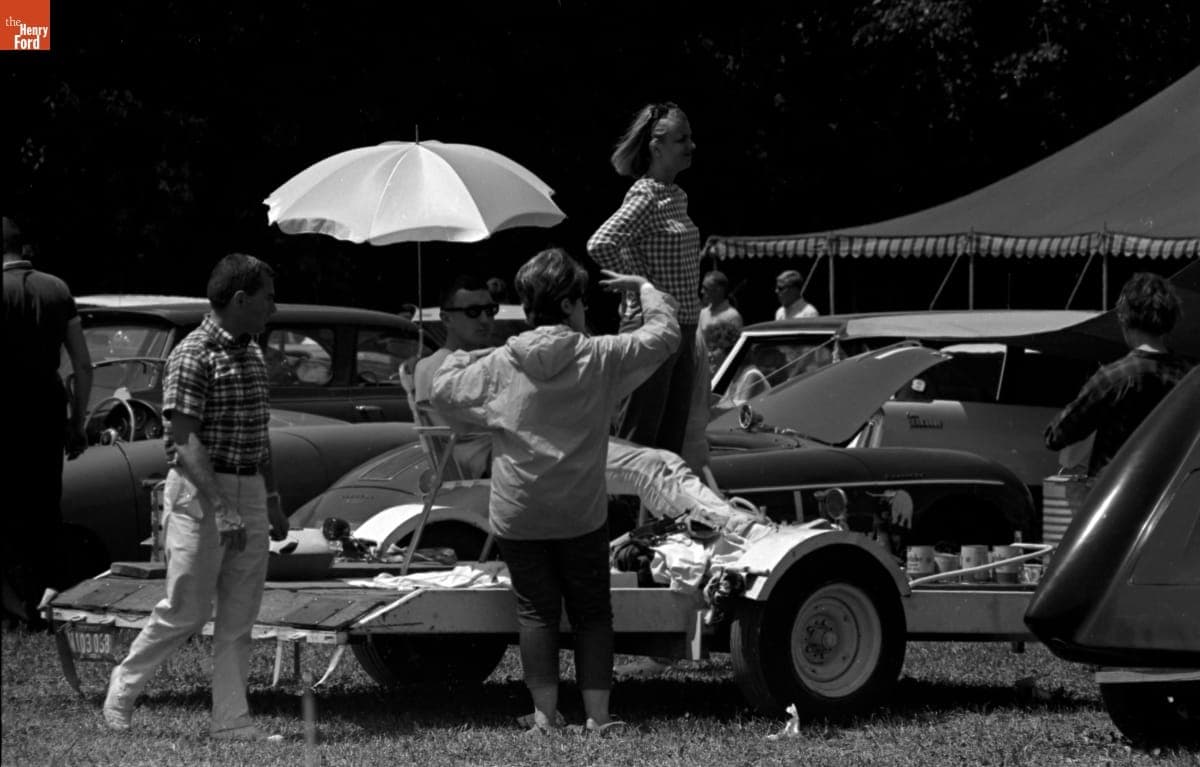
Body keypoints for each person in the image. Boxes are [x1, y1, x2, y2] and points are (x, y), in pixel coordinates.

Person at [431, 249, 679, 735]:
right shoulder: (601, 356)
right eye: (582, 301)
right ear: (567, 305)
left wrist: (466, 352)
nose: (586, 309)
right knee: (592, 614)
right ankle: (599, 717)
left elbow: (443, 389)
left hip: (518, 512)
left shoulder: (502, 362)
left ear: (527, 308)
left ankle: (545, 715)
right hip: (580, 514)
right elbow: (664, 335)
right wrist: (645, 290)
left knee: (535, 613)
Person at [103, 253, 289, 740]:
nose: (275, 305)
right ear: (241, 299)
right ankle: (121, 690)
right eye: (268, 296)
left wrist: (270, 498)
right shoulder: (193, 354)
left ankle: (231, 721)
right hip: (202, 492)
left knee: (240, 612)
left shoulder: (249, 352)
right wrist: (224, 507)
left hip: (247, 486)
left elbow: (258, 431)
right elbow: (184, 440)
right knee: (187, 609)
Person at [587, 101, 700, 456]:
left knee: (670, 442)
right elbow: (600, 242)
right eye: (682, 139)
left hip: (681, 327)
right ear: (656, 147)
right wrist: (641, 289)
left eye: (690, 138)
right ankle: (626, 511)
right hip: (652, 328)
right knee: (639, 440)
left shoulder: (676, 195)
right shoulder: (646, 194)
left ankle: (657, 512)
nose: (691, 146)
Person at [1, 216, 94, 629]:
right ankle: (47, 602)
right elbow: (83, 364)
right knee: (44, 506)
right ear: (25, 249)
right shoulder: (57, 288)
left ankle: (12, 608)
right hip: (46, 405)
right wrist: (78, 420)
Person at [1045, 272, 1192, 478]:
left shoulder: (1113, 378)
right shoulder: (1190, 379)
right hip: (1174, 496)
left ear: (1124, 318)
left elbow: (1056, 435)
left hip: (1118, 497)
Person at [698, 270, 742, 339]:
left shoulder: (732, 317)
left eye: (706, 288)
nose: (702, 291)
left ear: (719, 290)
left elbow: (732, 347)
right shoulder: (703, 313)